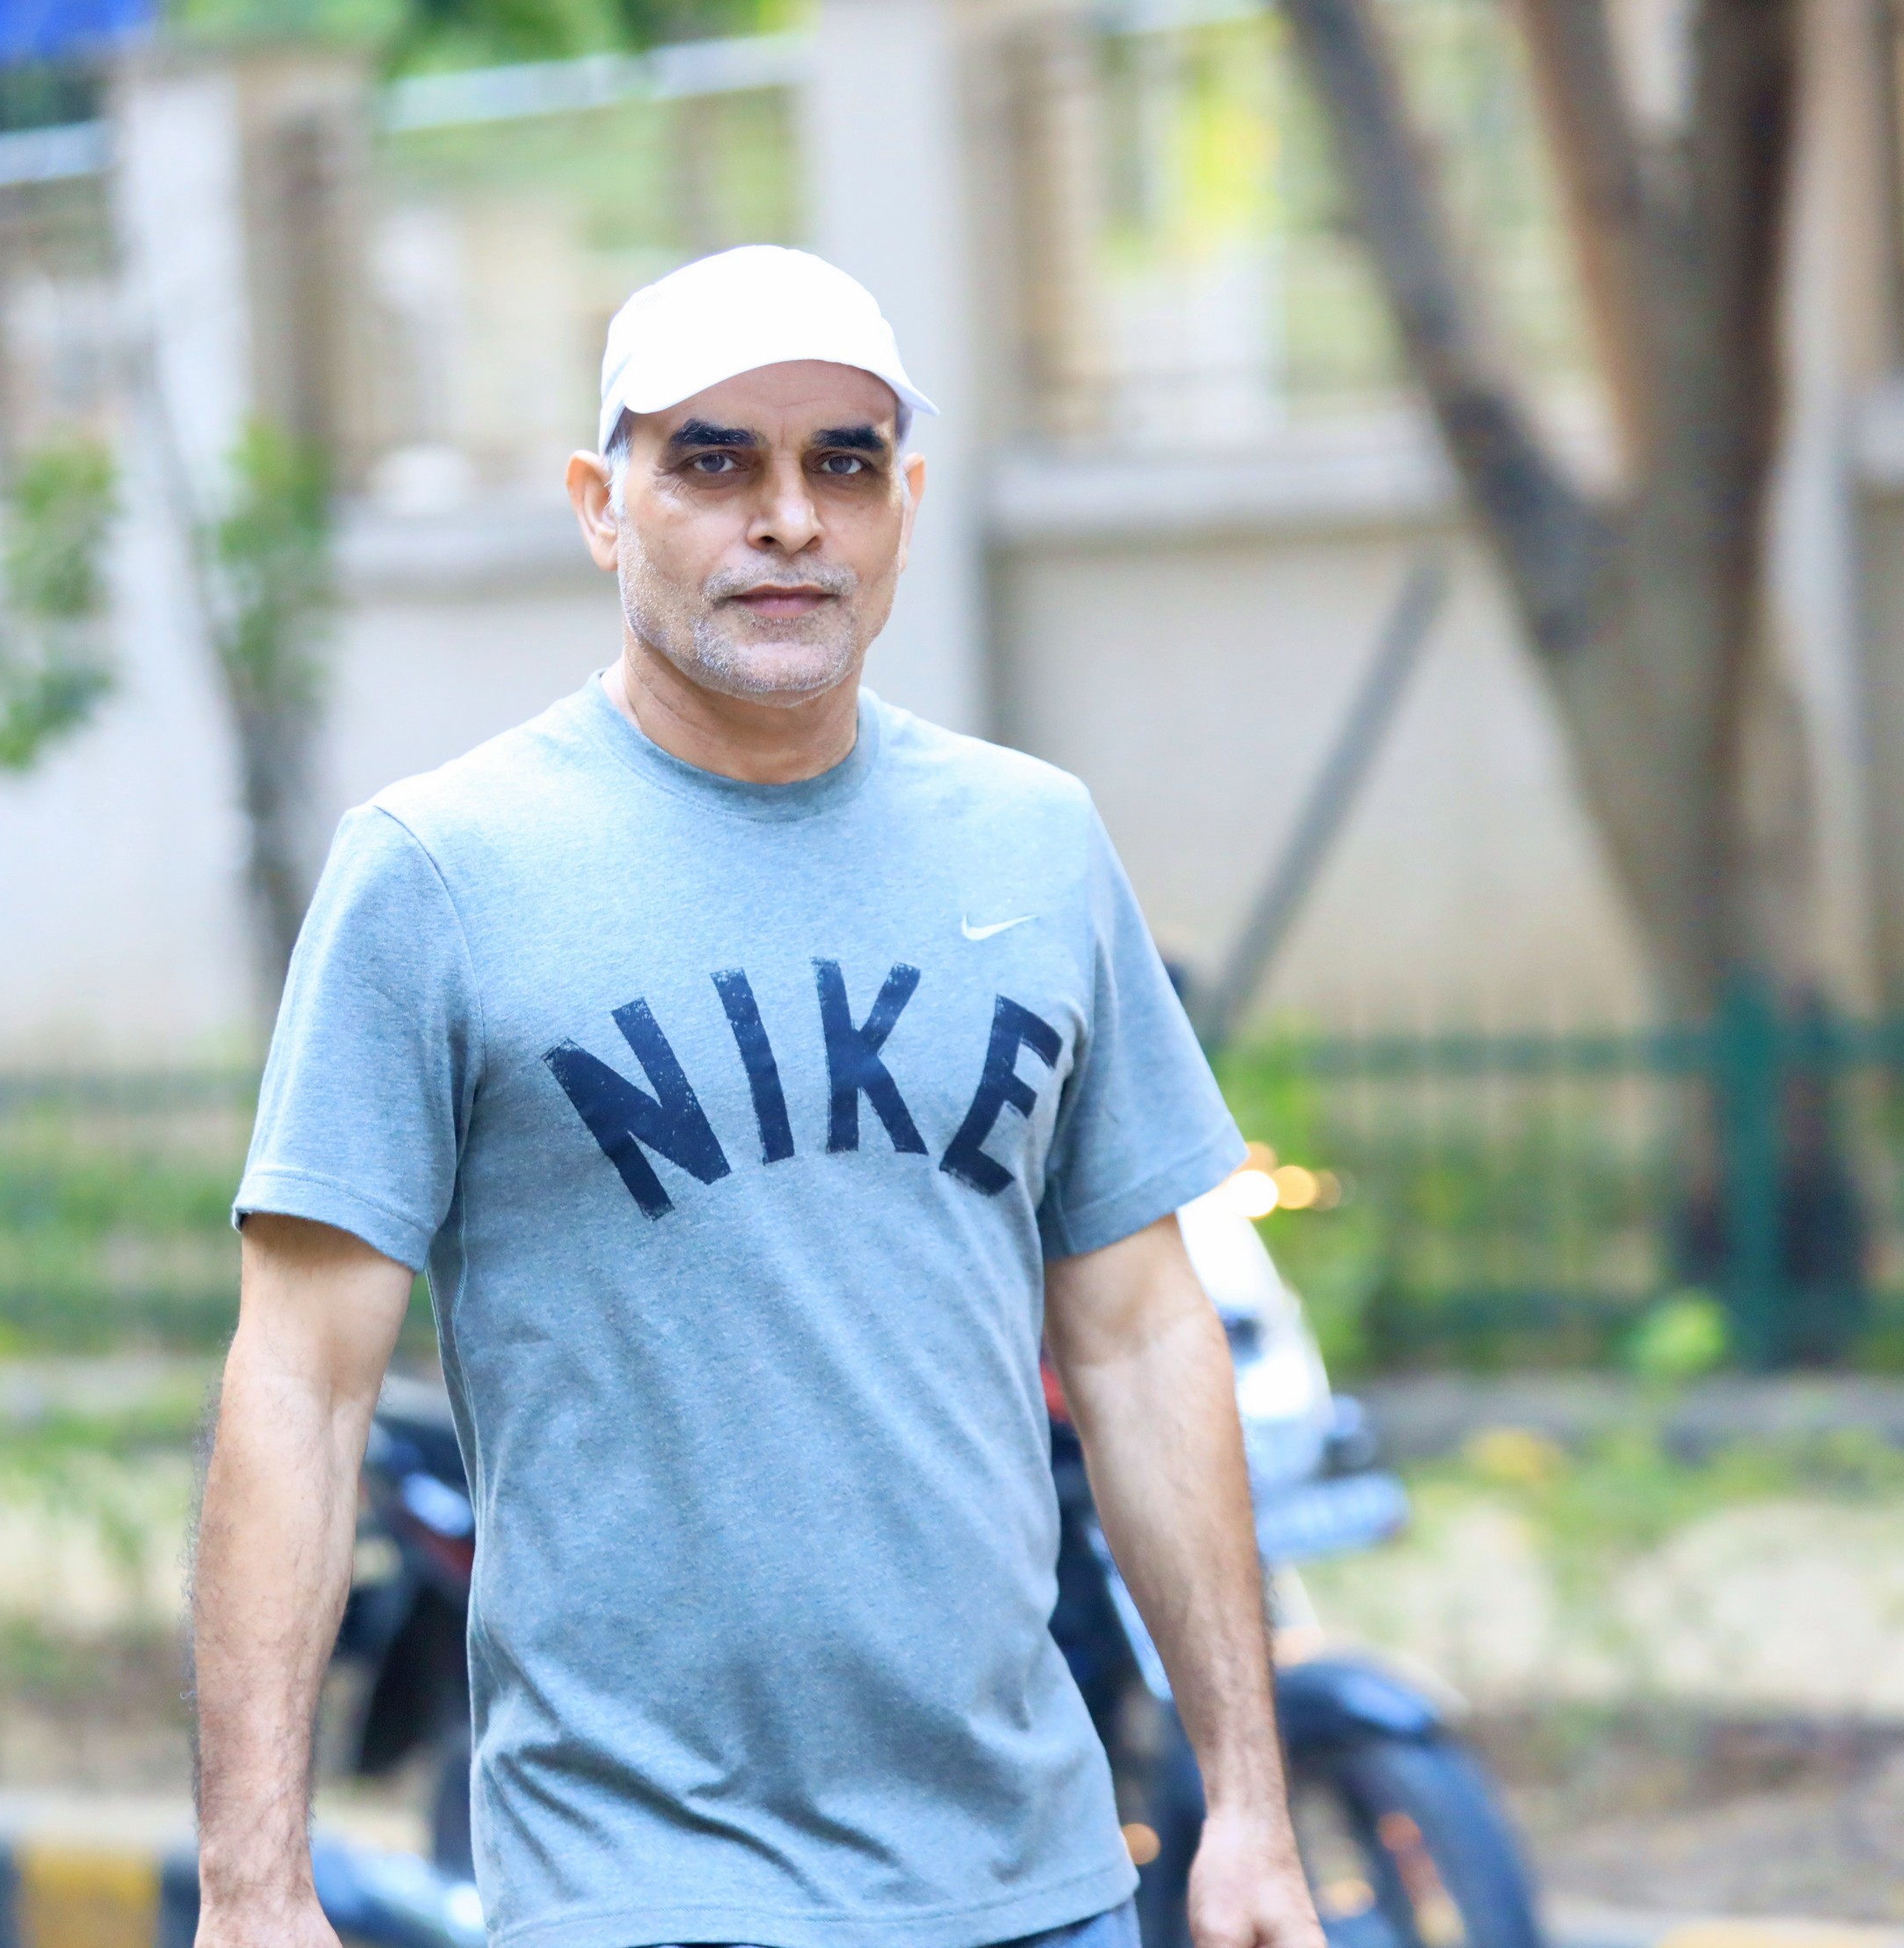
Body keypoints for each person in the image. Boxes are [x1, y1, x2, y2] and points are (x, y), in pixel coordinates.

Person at [190, 244, 1322, 1948]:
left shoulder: (1037, 844)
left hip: (1040, 1886)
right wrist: (251, 1885)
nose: (789, 518)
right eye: (714, 460)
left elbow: (1146, 1339)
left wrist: (1248, 1808)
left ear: (902, 508)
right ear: (602, 506)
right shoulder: (441, 871)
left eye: (841, 463)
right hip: (640, 1891)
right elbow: (297, 1383)